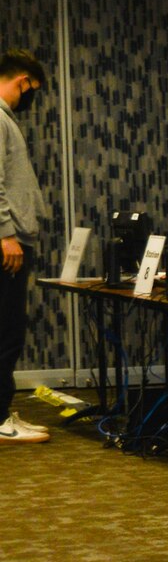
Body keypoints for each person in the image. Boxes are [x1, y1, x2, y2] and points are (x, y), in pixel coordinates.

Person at [0, 48, 52, 446]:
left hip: (10, 239)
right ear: (24, 81)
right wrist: (5, 233)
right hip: (6, 244)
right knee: (7, 332)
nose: (29, 97)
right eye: (31, 89)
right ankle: (0, 418)